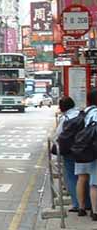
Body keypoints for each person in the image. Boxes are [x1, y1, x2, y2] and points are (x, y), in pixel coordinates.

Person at [55, 96, 81, 212]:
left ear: (62, 107)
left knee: (71, 176)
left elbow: (59, 133)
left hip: (69, 151)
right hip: (84, 150)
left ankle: (76, 204)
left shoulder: (66, 118)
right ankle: (88, 202)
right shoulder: (81, 114)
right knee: (84, 176)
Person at [76, 89, 97, 218]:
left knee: (82, 178)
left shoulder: (84, 112)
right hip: (94, 150)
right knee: (94, 182)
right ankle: (95, 212)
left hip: (82, 148)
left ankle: (81, 208)